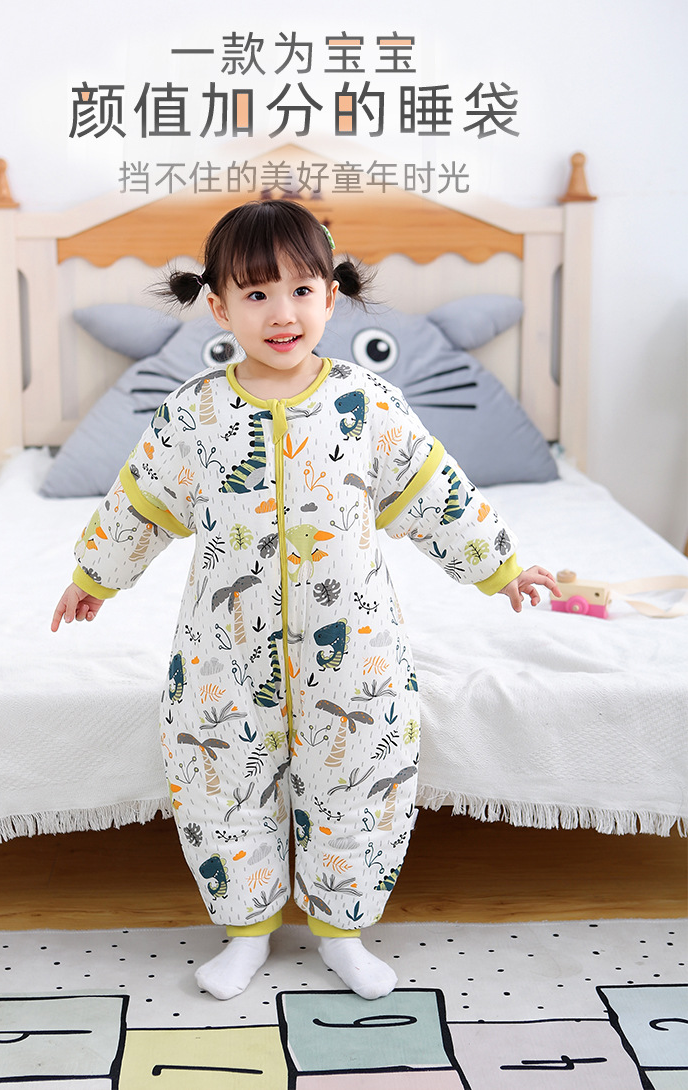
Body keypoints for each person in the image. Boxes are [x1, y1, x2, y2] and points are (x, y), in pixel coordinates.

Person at [51, 200, 560, 1002]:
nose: (281, 313)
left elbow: (436, 492)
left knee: (361, 778)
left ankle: (343, 931)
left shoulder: (367, 404)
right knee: (219, 783)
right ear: (220, 308)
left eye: (300, 290)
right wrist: (94, 578)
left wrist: (502, 567)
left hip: (354, 648)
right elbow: (139, 501)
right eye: (256, 294)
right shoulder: (195, 412)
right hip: (223, 651)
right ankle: (246, 931)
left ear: (332, 295)